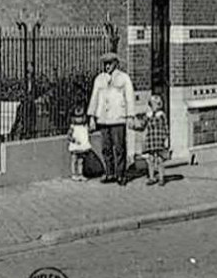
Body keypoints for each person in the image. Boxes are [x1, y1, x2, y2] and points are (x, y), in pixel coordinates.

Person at [86, 51, 136, 185]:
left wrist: (130, 115)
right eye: (105, 64)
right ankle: (110, 172)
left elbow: (129, 97)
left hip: (118, 116)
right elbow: (94, 98)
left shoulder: (124, 78)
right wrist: (92, 117)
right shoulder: (99, 79)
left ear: (116, 64)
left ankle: (121, 174)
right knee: (106, 147)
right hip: (103, 117)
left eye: (110, 63)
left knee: (119, 147)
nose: (107, 66)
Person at [135, 95, 171, 186]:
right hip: (151, 139)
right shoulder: (148, 115)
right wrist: (136, 123)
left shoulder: (161, 115)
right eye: (154, 104)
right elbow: (142, 125)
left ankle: (161, 178)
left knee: (159, 159)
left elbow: (166, 127)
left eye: (157, 104)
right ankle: (151, 177)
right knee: (150, 159)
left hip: (159, 139)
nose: (156, 106)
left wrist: (167, 138)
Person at [67, 111, 92, 181]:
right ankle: (74, 174)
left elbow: (88, 132)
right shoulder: (73, 127)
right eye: (77, 117)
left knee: (81, 160)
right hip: (75, 145)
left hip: (82, 145)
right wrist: (73, 140)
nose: (79, 119)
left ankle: (81, 174)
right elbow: (69, 136)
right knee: (74, 159)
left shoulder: (84, 126)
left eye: (80, 117)